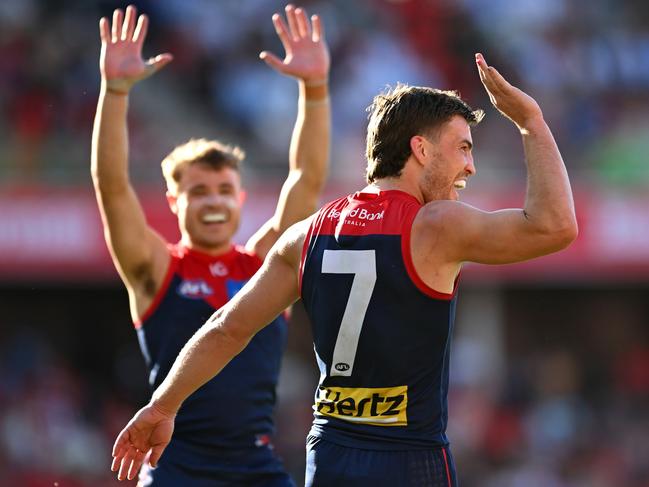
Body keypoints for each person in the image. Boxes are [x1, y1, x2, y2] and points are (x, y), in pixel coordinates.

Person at [110, 53, 578, 486]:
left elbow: (227, 328)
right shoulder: (435, 225)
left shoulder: (308, 232)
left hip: (330, 454)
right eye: (462, 148)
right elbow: (554, 227)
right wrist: (530, 122)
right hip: (407, 456)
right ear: (421, 149)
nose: (470, 166)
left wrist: (162, 406)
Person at [92, 4, 330, 486]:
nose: (214, 201)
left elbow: (305, 180)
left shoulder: (266, 264)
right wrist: (115, 92)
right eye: (199, 191)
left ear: (241, 199)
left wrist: (315, 89)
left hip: (256, 468)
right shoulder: (157, 268)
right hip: (174, 467)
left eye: (224, 190)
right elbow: (112, 184)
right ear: (174, 201)